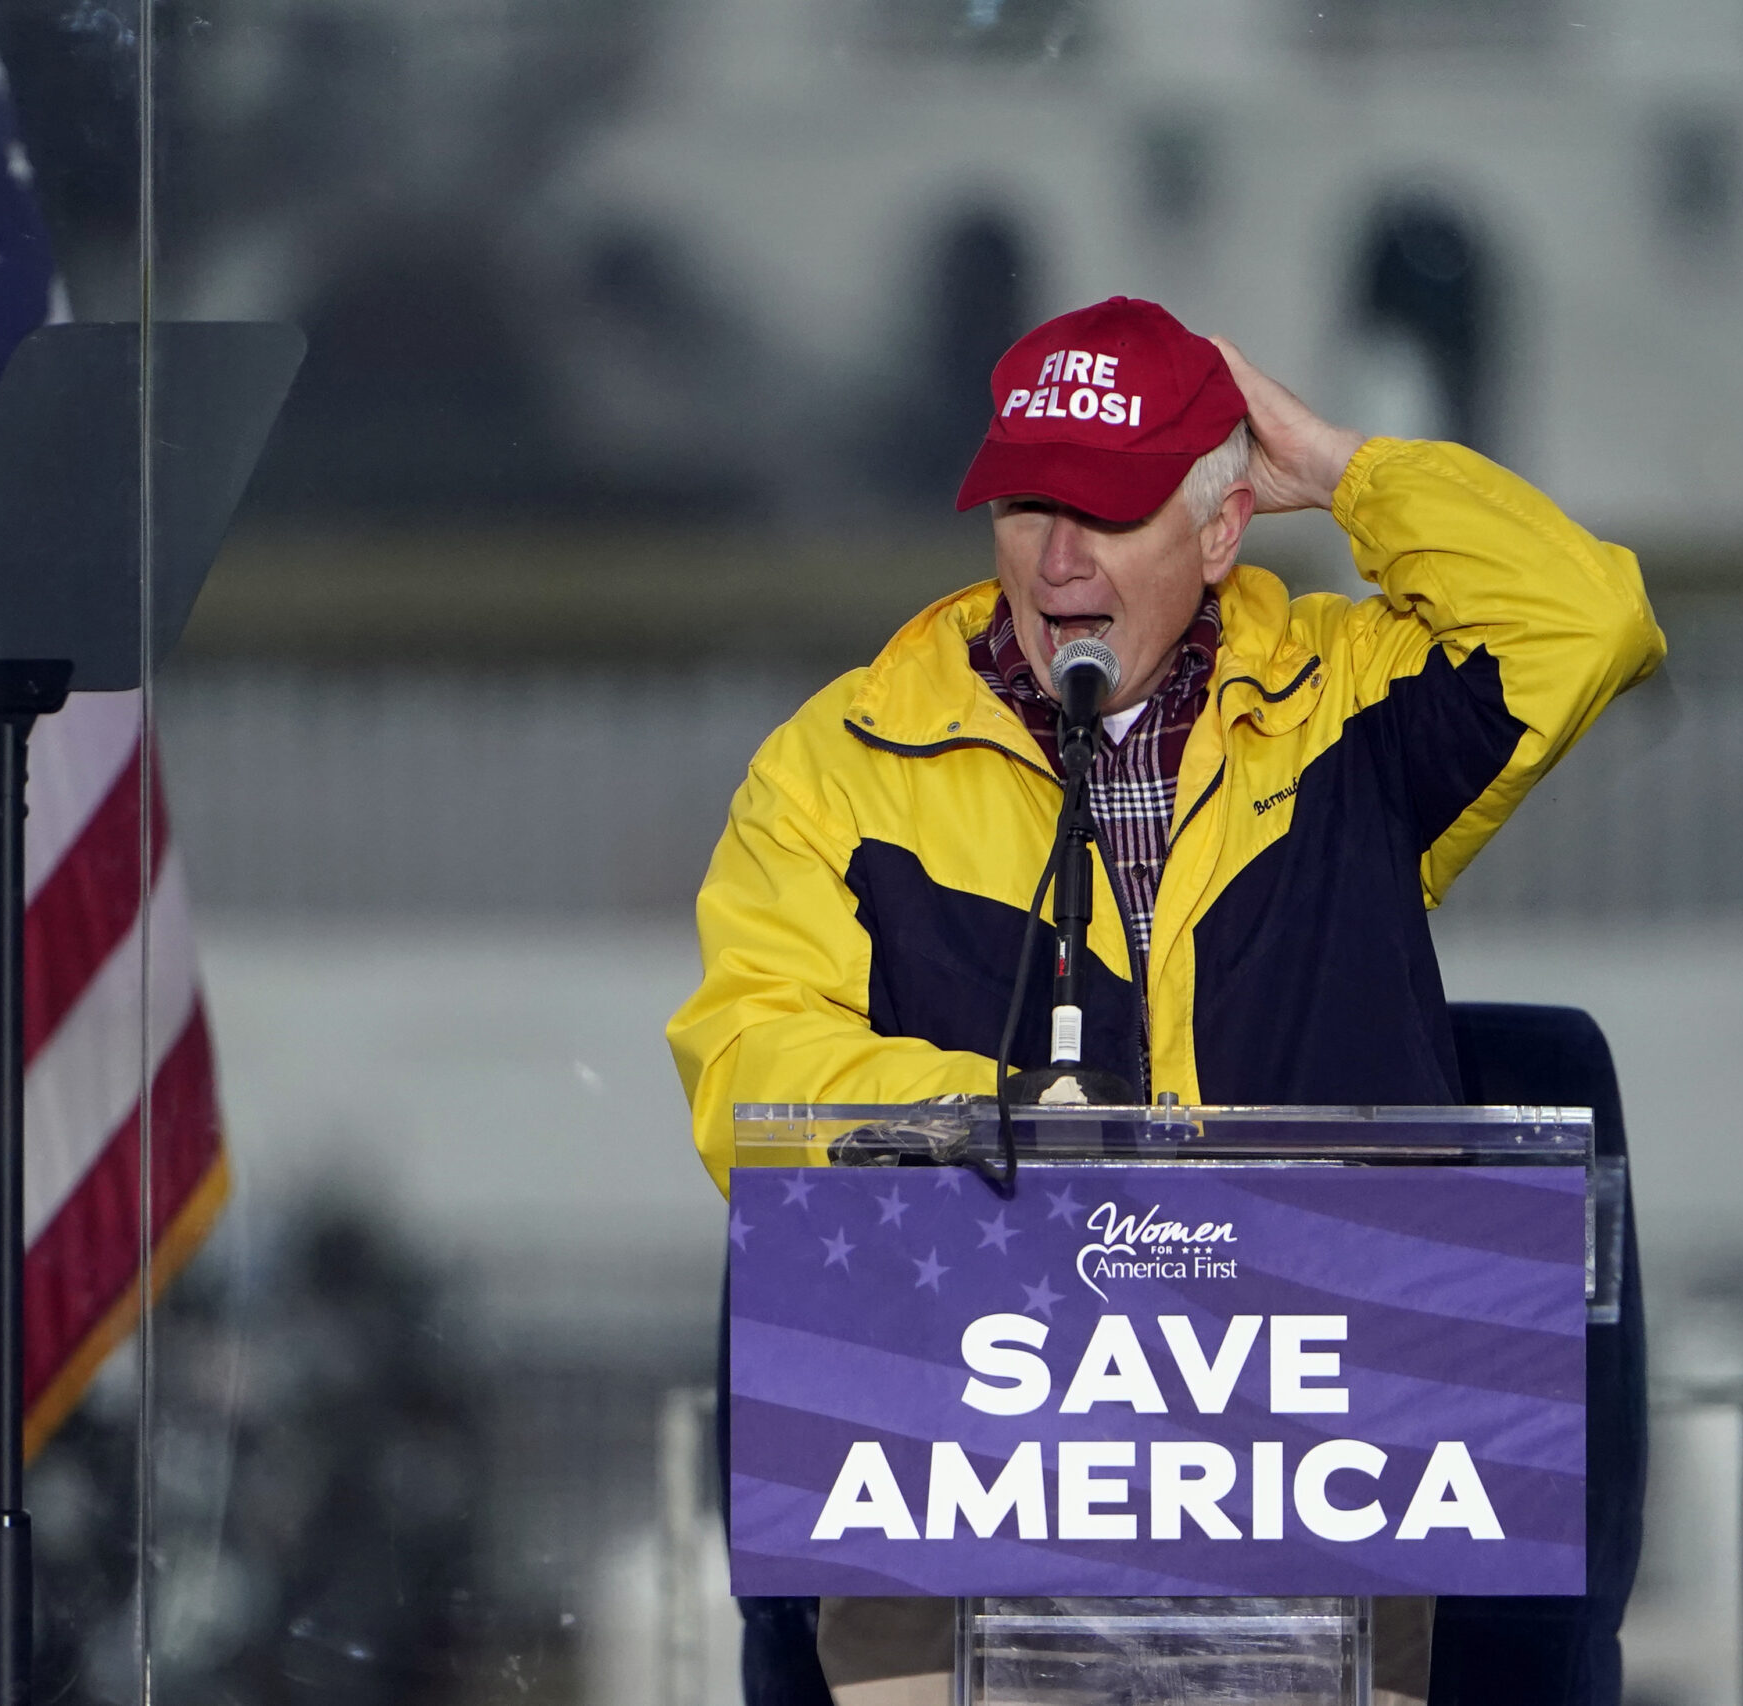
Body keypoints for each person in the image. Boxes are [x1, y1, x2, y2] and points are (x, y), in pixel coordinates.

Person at [667, 296, 1665, 1706]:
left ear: (1219, 530)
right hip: (963, 1478)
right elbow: (746, 1054)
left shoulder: (1345, 709)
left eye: (1113, 509)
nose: (1058, 557)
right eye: (1027, 504)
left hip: (1313, 1481)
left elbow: (1587, 621)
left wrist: (1343, 467)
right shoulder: (842, 764)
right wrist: (990, 1124)